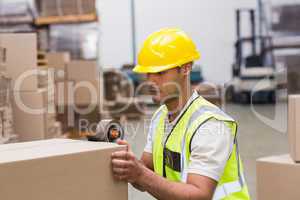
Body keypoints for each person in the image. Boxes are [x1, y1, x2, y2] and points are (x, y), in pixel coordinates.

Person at [111, 28, 250, 200]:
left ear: (185, 68)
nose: (151, 81)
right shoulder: (160, 117)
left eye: (160, 73)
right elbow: (144, 175)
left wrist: (139, 174)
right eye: (148, 73)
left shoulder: (210, 125)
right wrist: (128, 164)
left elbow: (199, 195)